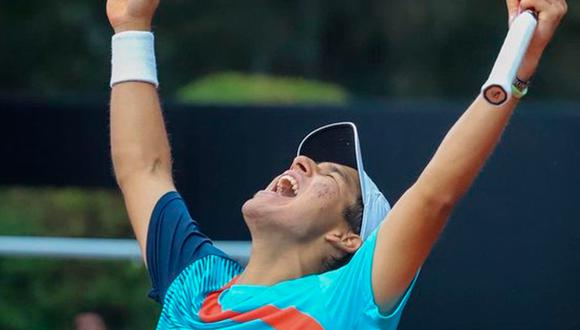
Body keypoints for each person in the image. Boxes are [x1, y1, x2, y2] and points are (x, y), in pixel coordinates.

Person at [106, 0, 567, 328]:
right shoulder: (195, 282)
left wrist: (516, 70)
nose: (303, 162)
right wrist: (131, 25)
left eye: (330, 175)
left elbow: (433, 197)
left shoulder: (349, 301)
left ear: (347, 238)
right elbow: (142, 171)